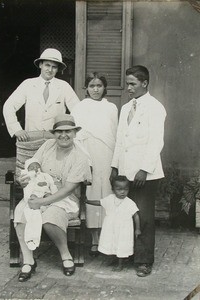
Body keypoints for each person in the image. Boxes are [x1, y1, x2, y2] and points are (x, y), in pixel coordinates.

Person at [14, 114, 92, 282]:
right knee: (21, 214)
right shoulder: (48, 145)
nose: (63, 135)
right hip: (40, 192)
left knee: (50, 219)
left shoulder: (80, 157)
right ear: (54, 134)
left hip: (65, 199)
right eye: (59, 132)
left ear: (75, 133)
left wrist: (41, 203)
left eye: (68, 131)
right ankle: (28, 261)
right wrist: (24, 179)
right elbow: (33, 166)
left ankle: (65, 255)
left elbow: (67, 190)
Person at [110, 65, 166, 277]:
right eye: (127, 84)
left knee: (143, 217)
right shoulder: (125, 108)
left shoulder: (155, 107)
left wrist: (144, 169)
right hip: (125, 172)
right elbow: (119, 141)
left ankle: (144, 261)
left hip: (145, 174)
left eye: (133, 84)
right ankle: (126, 253)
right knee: (125, 214)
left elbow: (156, 142)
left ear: (144, 83)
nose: (129, 88)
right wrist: (114, 167)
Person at [71, 72, 118, 256]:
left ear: (104, 87)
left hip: (106, 154)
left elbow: (114, 134)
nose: (96, 89)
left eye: (99, 86)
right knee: (90, 193)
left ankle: (107, 239)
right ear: (86, 88)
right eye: (92, 86)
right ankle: (93, 239)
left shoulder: (111, 108)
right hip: (87, 153)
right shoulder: (79, 108)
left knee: (106, 192)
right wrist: (85, 160)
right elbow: (77, 136)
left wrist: (115, 162)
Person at [3, 48, 80, 142]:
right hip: (31, 138)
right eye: (47, 65)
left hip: (55, 139)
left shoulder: (64, 86)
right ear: (40, 65)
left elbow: (78, 111)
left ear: (57, 69)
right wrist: (16, 129)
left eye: (54, 67)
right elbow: (9, 106)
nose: (50, 70)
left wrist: (68, 133)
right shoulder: (28, 84)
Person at [85, 176, 141, 271]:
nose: (122, 192)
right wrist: (87, 201)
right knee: (112, 243)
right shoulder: (110, 199)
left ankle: (120, 264)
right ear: (113, 189)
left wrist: (137, 229)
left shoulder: (129, 202)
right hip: (111, 228)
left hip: (124, 229)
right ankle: (113, 259)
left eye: (125, 189)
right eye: (119, 189)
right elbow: (99, 202)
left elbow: (136, 215)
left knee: (121, 245)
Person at [20, 158, 58, 251]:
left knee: (48, 196)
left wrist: (53, 194)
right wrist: (32, 180)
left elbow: (52, 185)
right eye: (32, 167)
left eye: (37, 166)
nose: (35, 168)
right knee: (34, 215)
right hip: (35, 197)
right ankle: (32, 239)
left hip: (45, 197)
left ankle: (32, 239)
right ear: (27, 169)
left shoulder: (45, 176)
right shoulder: (27, 178)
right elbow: (27, 192)